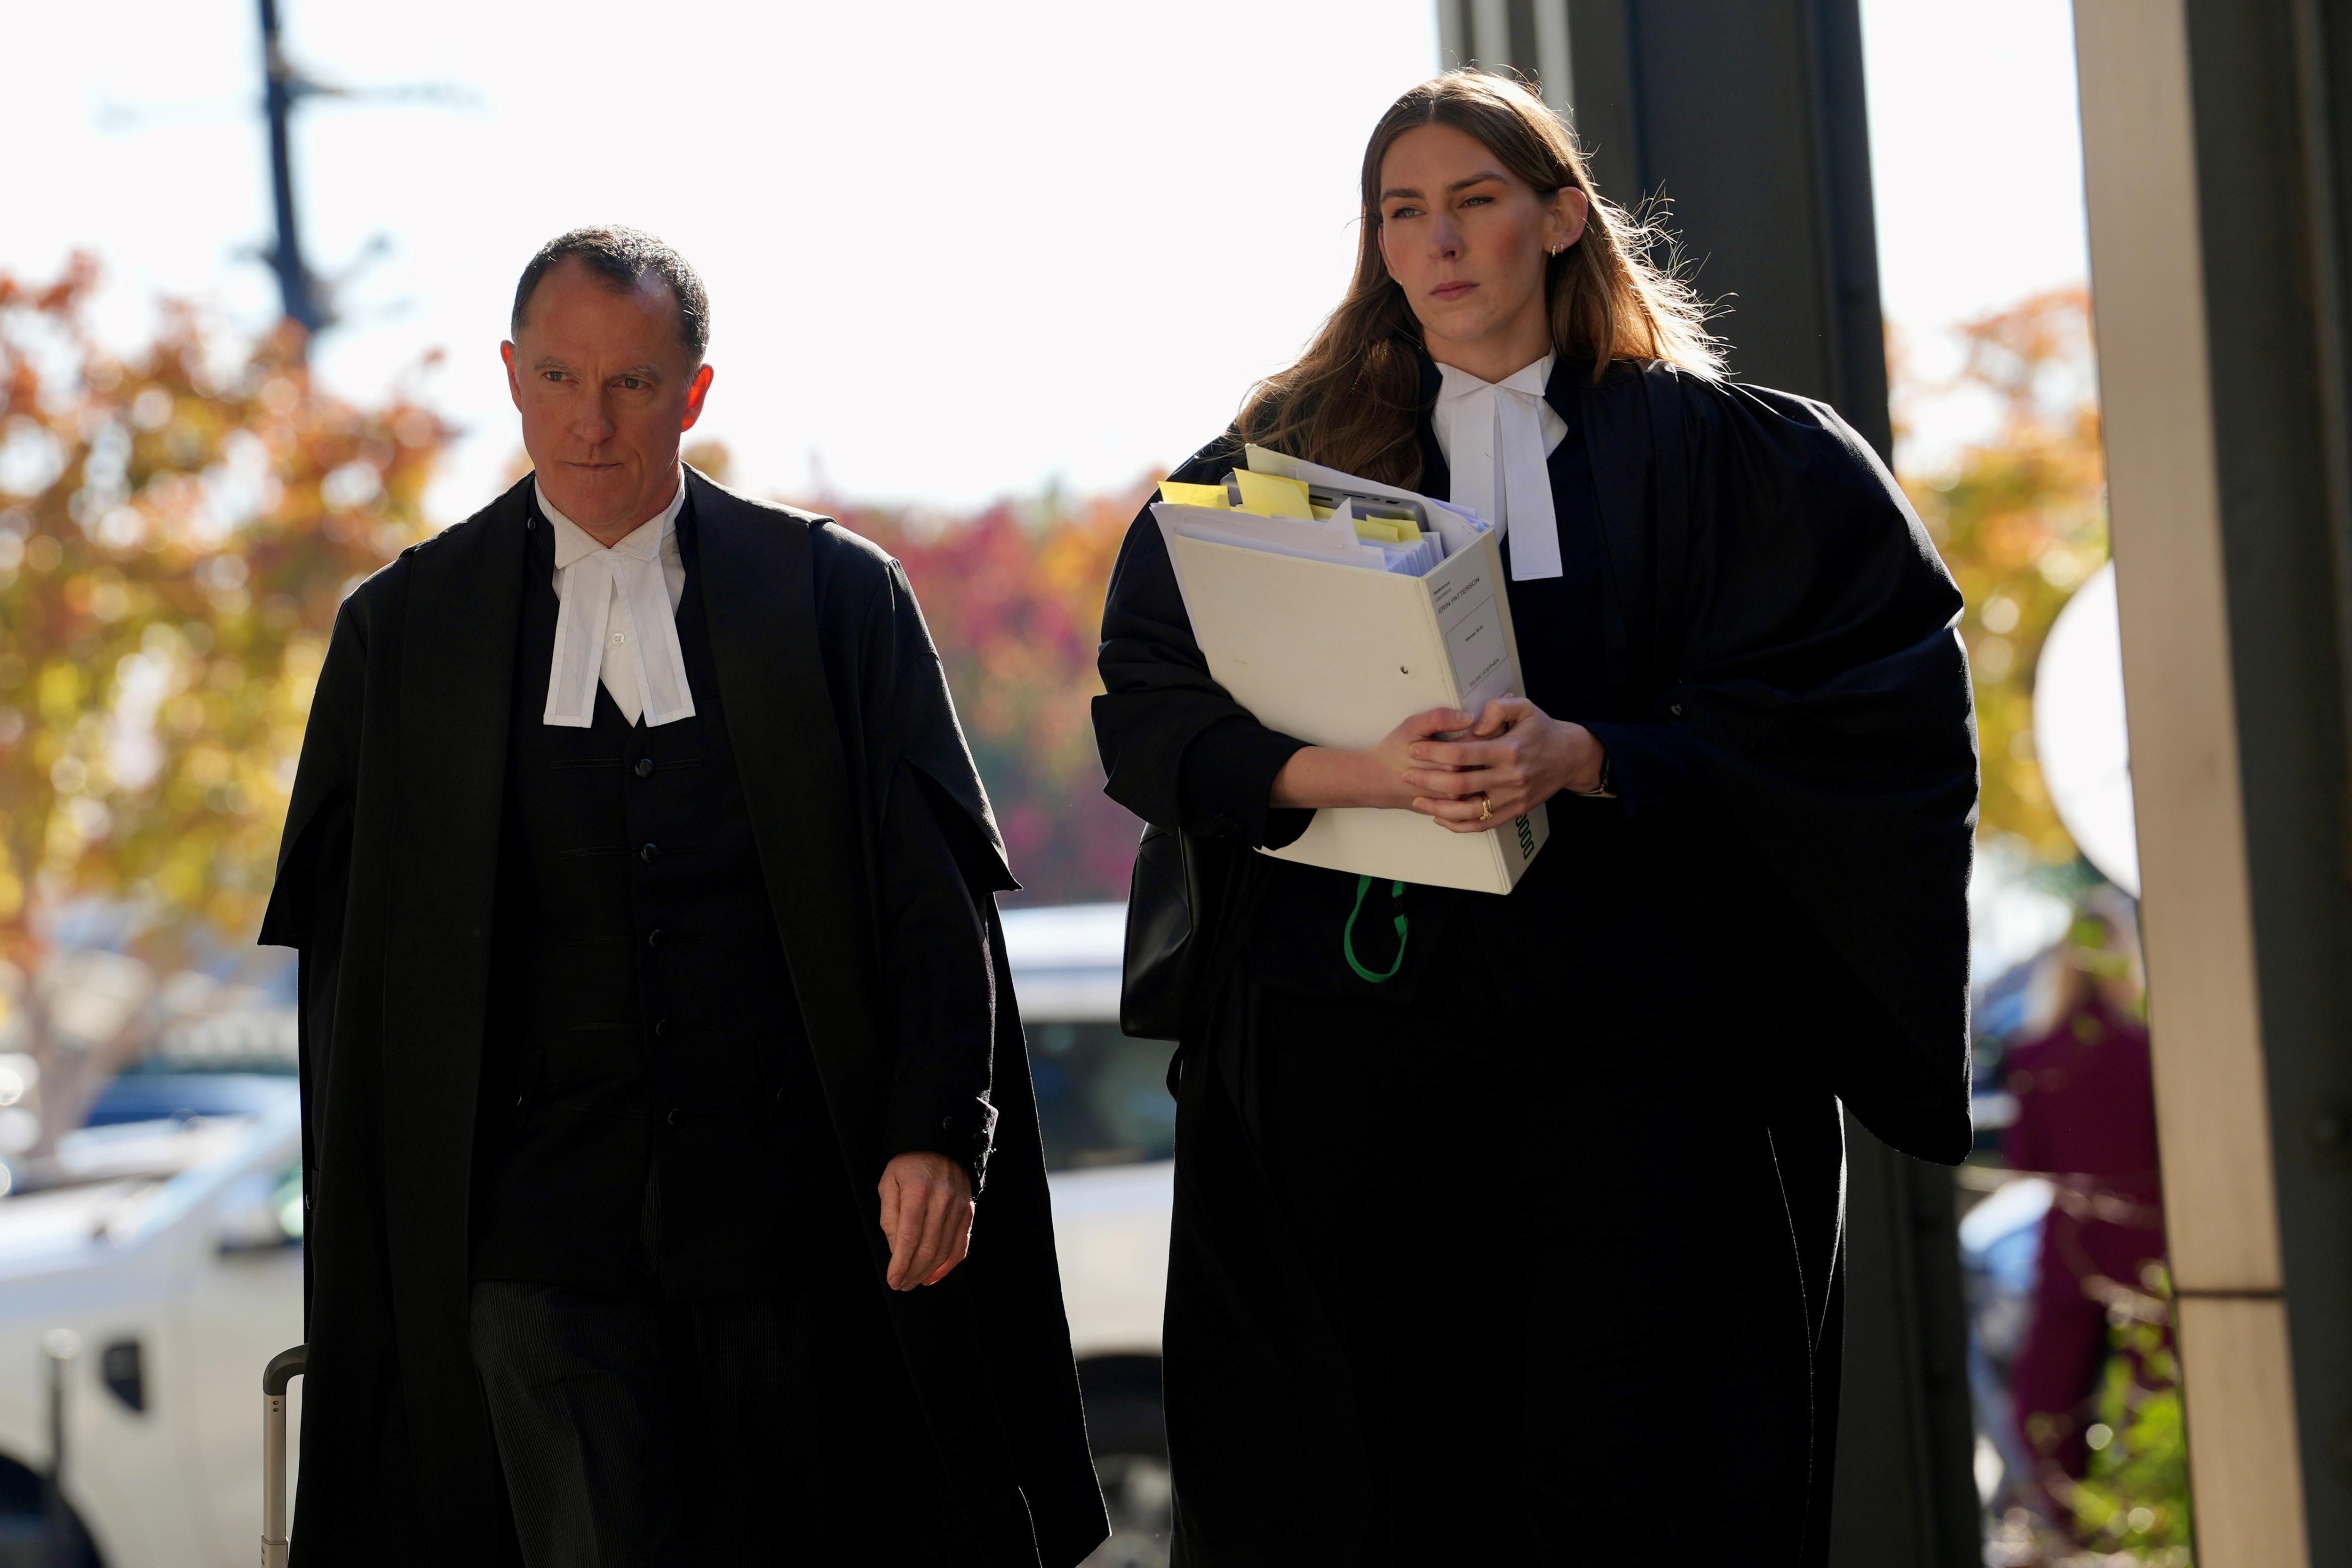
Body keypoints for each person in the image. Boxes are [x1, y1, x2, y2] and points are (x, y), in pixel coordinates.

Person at [1093, 73, 1978, 1565]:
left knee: (1626, 1459)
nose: (1438, 244)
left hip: (1641, 1056)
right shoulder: (1276, 468)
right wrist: (1370, 773)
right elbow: (1154, 707)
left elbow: (1863, 713)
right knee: (1385, 1464)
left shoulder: (1740, 460)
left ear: (1563, 219)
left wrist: (1595, 754)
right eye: (1403, 214)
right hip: (1358, 1050)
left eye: (1476, 201)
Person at [262, 227, 1106, 1567]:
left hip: (801, 1228)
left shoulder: (833, 599)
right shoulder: (404, 635)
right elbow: (359, 993)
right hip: (538, 1247)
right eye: (558, 378)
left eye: (634, 383)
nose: (591, 422)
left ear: (695, 392)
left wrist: (938, 1129)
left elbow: (933, 900)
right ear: (512, 377)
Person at [2001, 891, 2166, 1526]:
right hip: (2149, 1244)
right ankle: (2144, 1517)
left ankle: (2069, 1524)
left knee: (2049, 1397)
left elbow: (2025, 1160)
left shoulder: (2039, 1055)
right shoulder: (2150, 1048)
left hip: (2073, 1242)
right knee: (2157, 1391)